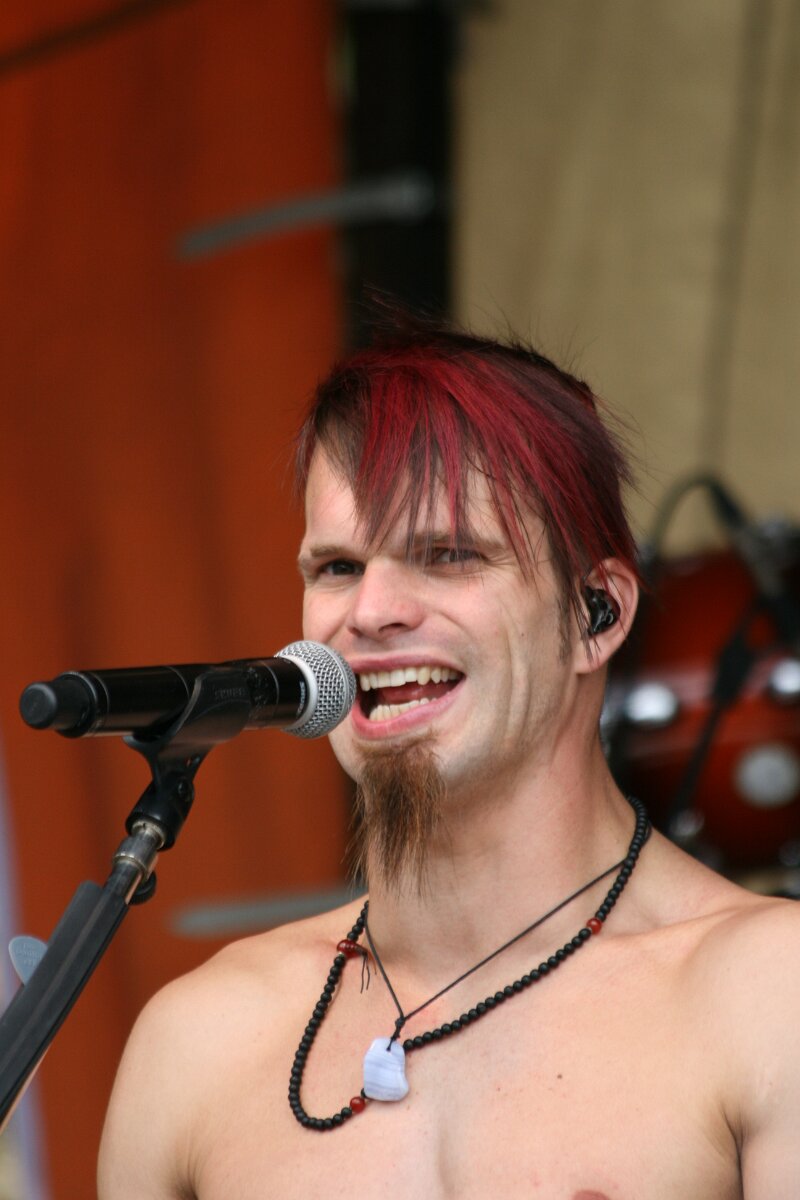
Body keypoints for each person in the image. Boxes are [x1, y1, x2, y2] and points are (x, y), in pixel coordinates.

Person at [98, 319, 800, 1199]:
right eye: (338, 567)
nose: (372, 611)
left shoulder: (767, 995)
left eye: (448, 555)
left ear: (596, 614)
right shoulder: (199, 1041)